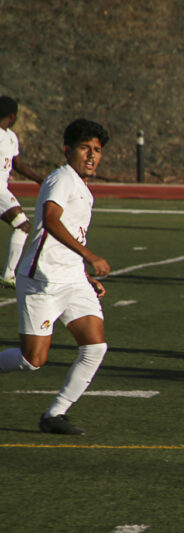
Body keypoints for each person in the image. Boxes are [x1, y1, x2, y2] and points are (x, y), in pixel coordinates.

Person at [0, 119, 111, 435]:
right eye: (84, 148)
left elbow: (71, 234)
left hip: (73, 279)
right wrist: (91, 257)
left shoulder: (82, 187)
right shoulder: (61, 179)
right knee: (33, 360)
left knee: (95, 347)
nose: (91, 155)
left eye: (97, 150)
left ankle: (55, 415)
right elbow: (50, 220)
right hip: (42, 281)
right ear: (68, 150)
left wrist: (84, 274)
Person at [0, 96, 43, 287]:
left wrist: (40, 179)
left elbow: (18, 164)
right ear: (12, 115)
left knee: (22, 226)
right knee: (22, 225)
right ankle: (8, 275)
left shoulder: (11, 136)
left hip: (2, 187)